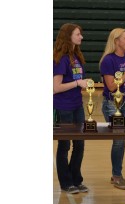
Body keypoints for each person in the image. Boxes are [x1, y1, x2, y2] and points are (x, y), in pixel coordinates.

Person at [99, 28, 125, 190]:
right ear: (116, 41)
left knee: (122, 141)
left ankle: (117, 174)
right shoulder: (108, 60)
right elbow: (110, 86)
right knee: (118, 141)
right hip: (112, 105)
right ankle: (117, 176)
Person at [53, 23, 89, 194]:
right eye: (78, 34)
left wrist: (81, 86)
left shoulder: (77, 56)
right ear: (68, 36)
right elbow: (56, 87)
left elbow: (75, 82)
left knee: (80, 144)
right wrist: (76, 83)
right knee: (64, 145)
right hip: (63, 107)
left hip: (77, 105)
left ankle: (76, 179)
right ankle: (66, 183)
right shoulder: (60, 59)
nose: (81, 37)